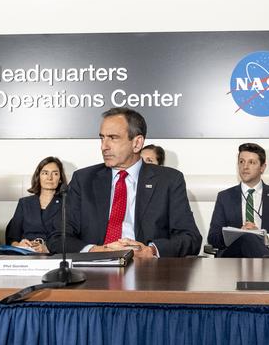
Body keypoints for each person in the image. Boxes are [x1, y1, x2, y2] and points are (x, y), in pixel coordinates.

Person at [50, 107, 200, 258]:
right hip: (94, 270)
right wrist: (97, 251)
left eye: (113, 138)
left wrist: (151, 251)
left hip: (145, 272)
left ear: (137, 143)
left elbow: (190, 238)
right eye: (102, 138)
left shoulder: (168, 180)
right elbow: (58, 237)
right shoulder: (83, 180)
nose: (104, 146)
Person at [207, 142, 269, 257]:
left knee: (251, 239)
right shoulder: (225, 197)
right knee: (246, 238)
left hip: (268, 256)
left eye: (251, 162)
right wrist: (238, 235)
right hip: (234, 260)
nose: (245, 167)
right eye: (241, 161)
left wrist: (264, 238)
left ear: (262, 168)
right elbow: (213, 237)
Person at [5, 156, 67, 254]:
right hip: (25, 255)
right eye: (45, 173)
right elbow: (12, 237)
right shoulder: (24, 203)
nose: (49, 178)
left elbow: (70, 238)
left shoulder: (66, 204)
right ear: (38, 177)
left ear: (60, 179)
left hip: (53, 255)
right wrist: (19, 246)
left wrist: (47, 249)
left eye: (55, 173)